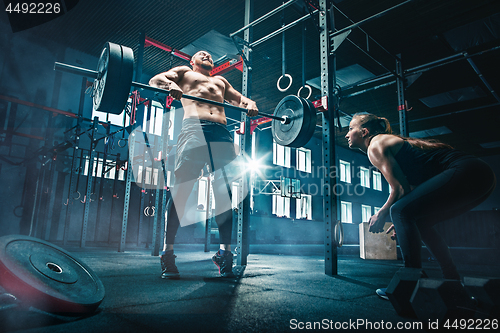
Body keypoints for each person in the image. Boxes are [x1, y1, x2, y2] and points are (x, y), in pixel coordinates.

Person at [345, 113, 496, 299]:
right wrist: (404, 222)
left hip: (466, 172)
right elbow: (411, 194)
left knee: (397, 210)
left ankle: (409, 285)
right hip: (482, 179)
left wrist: (381, 214)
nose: (347, 134)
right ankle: (453, 282)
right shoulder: (389, 144)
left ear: (364, 131)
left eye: (350, 128)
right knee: (419, 221)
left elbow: (399, 190)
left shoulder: (375, 145)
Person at [149, 51, 258, 278]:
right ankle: (167, 253)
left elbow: (240, 99)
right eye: (201, 54)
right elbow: (155, 80)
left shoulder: (221, 81)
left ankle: (224, 255)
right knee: (181, 192)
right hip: (194, 129)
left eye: (209, 55)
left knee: (225, 194)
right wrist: (170, 85)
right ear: (192, 61)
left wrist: (251, 104)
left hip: (221, 132)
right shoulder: (184, 72)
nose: (207, 55)